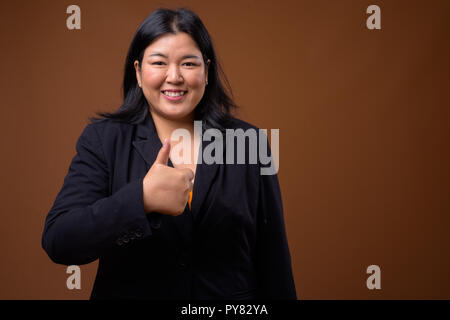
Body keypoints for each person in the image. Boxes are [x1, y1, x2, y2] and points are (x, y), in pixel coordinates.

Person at [42, 7, 297, 300]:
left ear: (207, 71)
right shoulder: (103, 139)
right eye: (159, 62)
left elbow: (274, 258)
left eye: (189, 64)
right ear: (138, 72)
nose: (174, 77)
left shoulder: (249, 142)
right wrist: (141, 199)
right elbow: (59, 241)